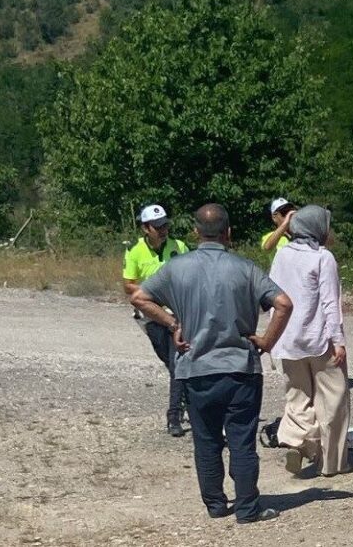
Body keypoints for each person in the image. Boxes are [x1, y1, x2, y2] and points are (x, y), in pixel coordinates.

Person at [130, 204, 293, 524]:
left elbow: (139, 297)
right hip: (240, 368)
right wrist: (267, 341)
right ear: (228, 233)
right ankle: (247, 508)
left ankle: (215, 504)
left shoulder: (177, 268)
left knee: (206, 442)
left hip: (195, 368)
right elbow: (283, 303)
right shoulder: (245, 268)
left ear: (195, 233)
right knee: (242, 442)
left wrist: (172, 324)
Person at [268, 205, 351, 478]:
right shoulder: (322, 257)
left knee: (297, 396)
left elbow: (272, 295)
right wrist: (338, 340)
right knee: (333, 398)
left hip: (287, 338)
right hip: (320, 339)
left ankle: (297, 441)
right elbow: (330, 302)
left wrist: (272, 338)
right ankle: (331, 462)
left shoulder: (282, 254)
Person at [122, 204, 189, 437]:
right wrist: (153, 293)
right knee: (170, 361)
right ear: (146, 228)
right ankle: (186, 399)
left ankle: (174, 416)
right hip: (151, 313)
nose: (163, 230)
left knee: (177, 362)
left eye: (165, 225)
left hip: (177, 313)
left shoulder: (179, 246)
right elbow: (128, 285)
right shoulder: (135, 251)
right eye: (157, 227)